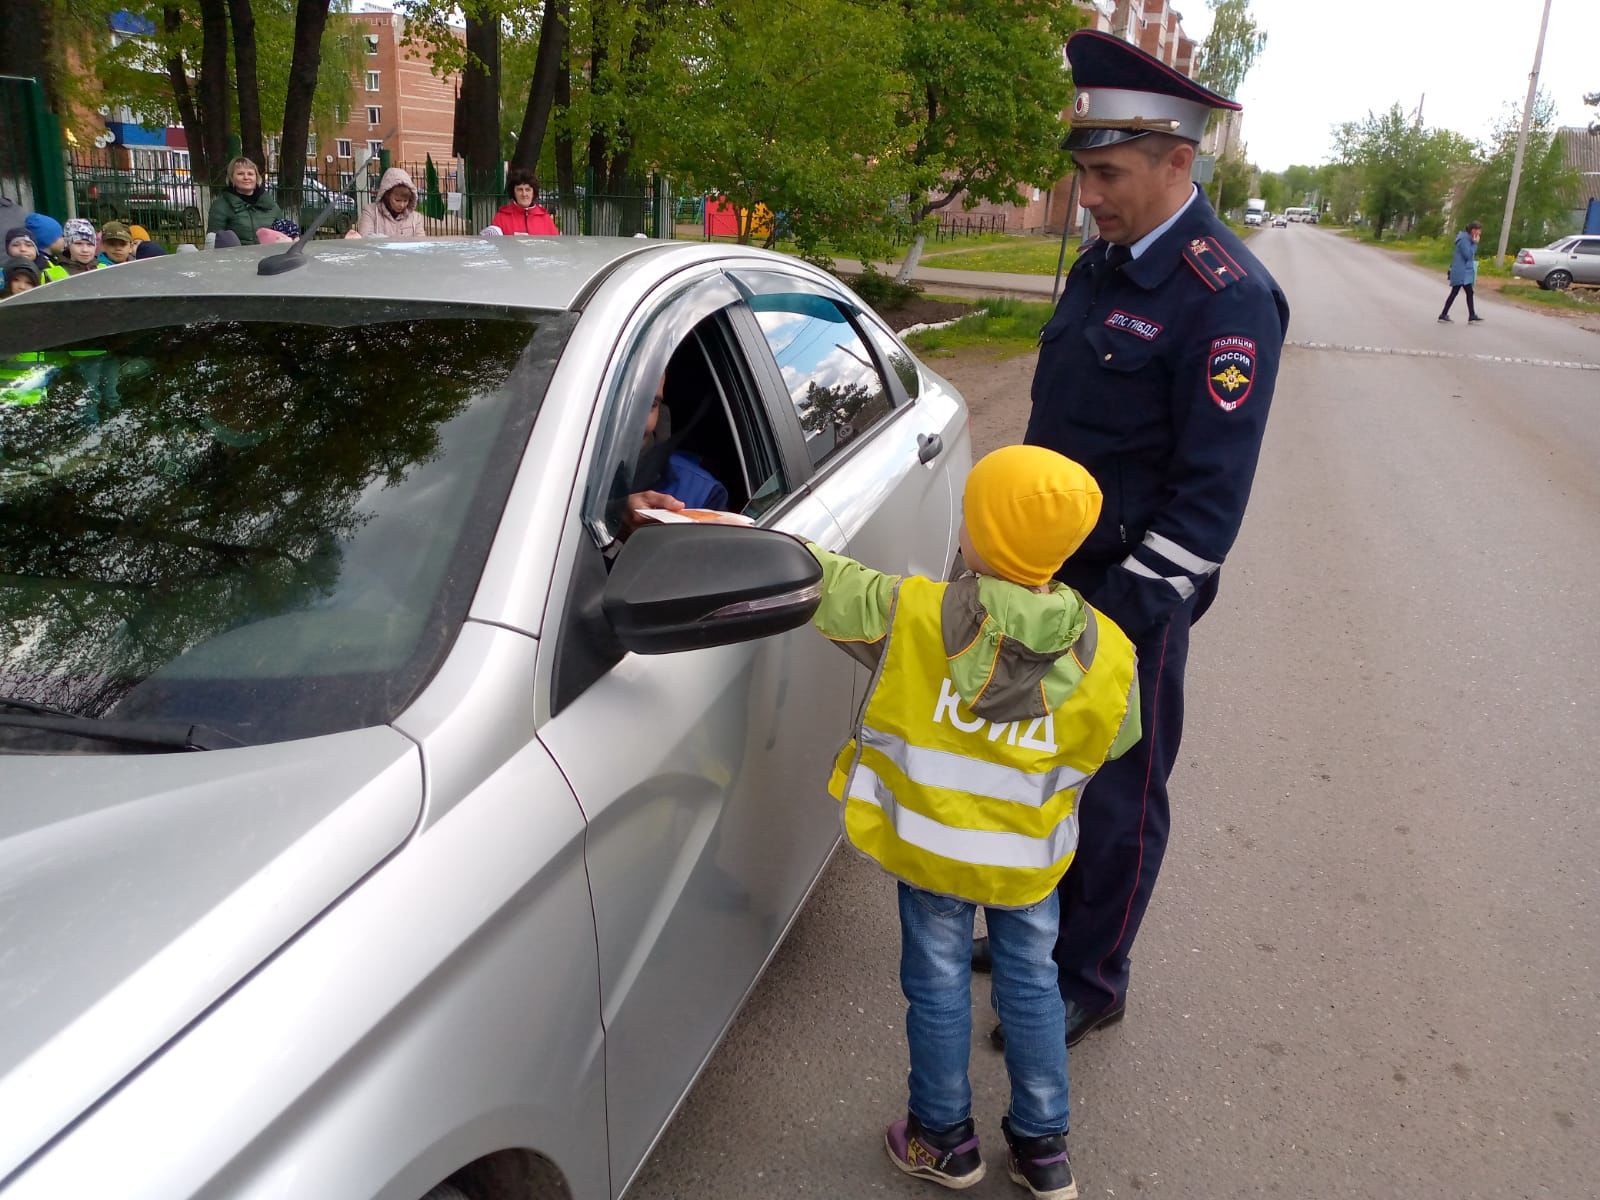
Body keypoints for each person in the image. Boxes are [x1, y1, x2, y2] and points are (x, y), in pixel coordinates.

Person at [975, 30, 1289, 1053]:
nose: (1088, 196)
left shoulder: (1224, 297)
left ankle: (1089, 973)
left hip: (1123, 598)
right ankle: (1028, 916)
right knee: (1027, 763)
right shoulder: (1102, 266)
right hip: (1037, 577)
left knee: (1113, 797)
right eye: (1081, 173)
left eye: (1106, 174)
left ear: (1176, 162)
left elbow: (1206, 505)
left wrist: (1112, 619)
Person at [801, 445, 1139, 1200]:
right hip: (1027, 864)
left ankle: (943, 1138)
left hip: (932, 857)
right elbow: (1121, 738)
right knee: (1031, 985)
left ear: (983, 535)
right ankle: (1044, 1148)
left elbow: (825, 585)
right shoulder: (1110, 652)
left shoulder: (915, 614)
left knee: (940, 984)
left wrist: (729, 529)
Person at [622, 370, 729, 533]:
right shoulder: (570, 462)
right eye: (621, 403)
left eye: (651, 405)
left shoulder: (701, 494)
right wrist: (613, 515)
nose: (639, 422)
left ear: (662, 410)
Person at [206, 156, 283, 246]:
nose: (246, 177)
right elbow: (213, 239)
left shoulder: (270, 204)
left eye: (250, 174)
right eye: (240, 174)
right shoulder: (221, 205)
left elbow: (283, 232)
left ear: (256, 178)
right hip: (236, 257)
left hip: (269, 256)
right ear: (231, 178)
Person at [354, 166, 427, 238]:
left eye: (405, 201)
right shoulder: (370, 212)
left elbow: (420, 243)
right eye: (397, 200)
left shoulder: (416, 218)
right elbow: (365, 238)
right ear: (387, 195)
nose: (402, 205)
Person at [1439, 220, 1483, 324]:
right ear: (1473, 231)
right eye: (1479, 231)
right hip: (1460, 271)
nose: (1480, 233)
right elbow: (1468, 255)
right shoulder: (1464, 240)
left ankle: (1471, 316)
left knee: (1468, 292)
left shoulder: (1467, 239)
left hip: (1464, 271)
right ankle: (1443, 315)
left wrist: (1473, 242)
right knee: (1455, 292)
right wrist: (1475, 244)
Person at [491, 168, 558, 236]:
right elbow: (493, 244)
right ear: (513, 192)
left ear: (533, 192)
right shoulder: (501, 217)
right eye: (520, 190)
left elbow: (554, 244)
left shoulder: (545, 218)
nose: (524, 194)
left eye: (528, 190)